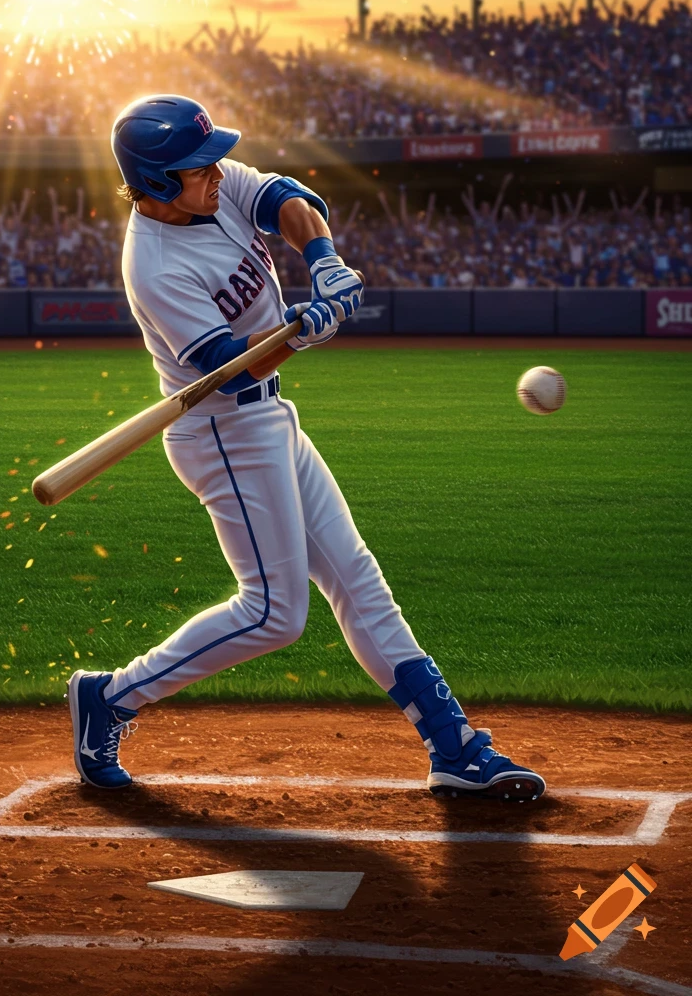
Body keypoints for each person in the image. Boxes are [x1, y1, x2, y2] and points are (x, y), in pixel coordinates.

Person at [61, 97, 545, 800]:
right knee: (273, 613)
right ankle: (112, 697)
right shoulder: (155, 265)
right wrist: (297, 333)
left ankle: (454, 747)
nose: (219, 173)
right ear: (159, 182)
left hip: (270, 417)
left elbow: (289, 198)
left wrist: (323, 259)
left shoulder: (216, 189)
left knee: (358, 580)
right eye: (200, 168)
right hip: (221, 432)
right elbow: (227, 365)